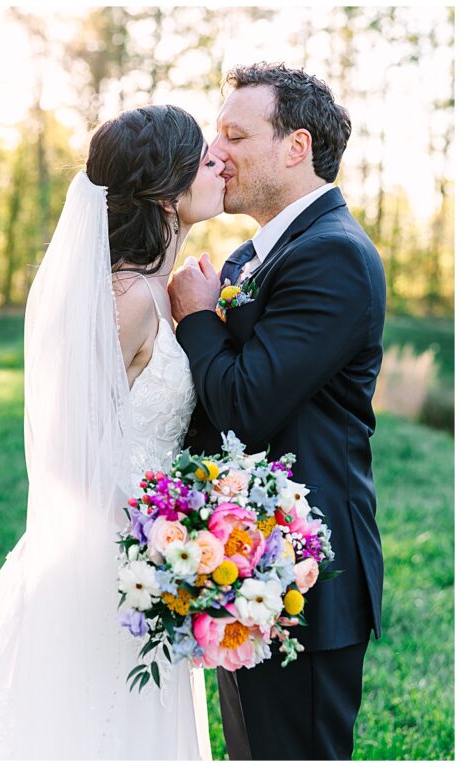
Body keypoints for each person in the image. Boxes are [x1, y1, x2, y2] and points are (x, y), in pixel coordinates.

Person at [0, 105, 224, 759]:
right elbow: (75, 455)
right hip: (114, 562)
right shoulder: (125, 298)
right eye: (202, 156)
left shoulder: (158, 288)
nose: (218, 159)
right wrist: (163, 541)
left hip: (147, 551)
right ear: (164, 189)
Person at [169, 63, 385, 760]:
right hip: (245, 561)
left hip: (309, 575)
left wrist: (199, 317)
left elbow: (245, 406)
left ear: (296, 147)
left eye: (235, 134)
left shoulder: (335, 256)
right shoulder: (244, 258)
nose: (215, 151)